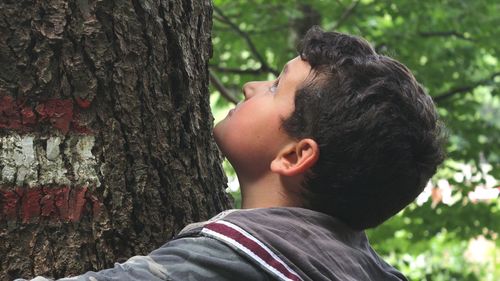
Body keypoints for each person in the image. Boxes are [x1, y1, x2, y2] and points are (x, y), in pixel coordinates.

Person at [17, 26, 445, 281]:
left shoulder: (236, 261)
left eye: (276, 87)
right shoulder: (358, 267)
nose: (251, 87)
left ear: (295, 156)